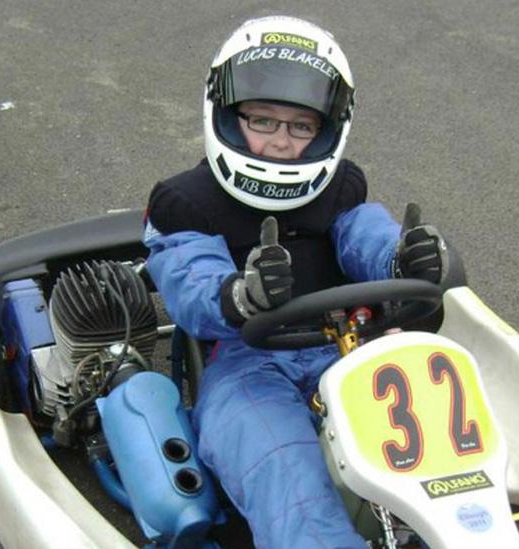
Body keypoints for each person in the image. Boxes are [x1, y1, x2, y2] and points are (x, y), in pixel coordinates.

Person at [143, 16, 450, 548]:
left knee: (441, 459)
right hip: (246, 362)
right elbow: (191, 284)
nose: (281, 144)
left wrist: (400, 259)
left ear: (327, 129)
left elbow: (366, 237)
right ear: (229, 115)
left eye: (300, 127)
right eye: (262, 121)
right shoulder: (185, 202)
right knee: (289, 476)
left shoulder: (339, 186)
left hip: (354, 345)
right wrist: (241, 294)